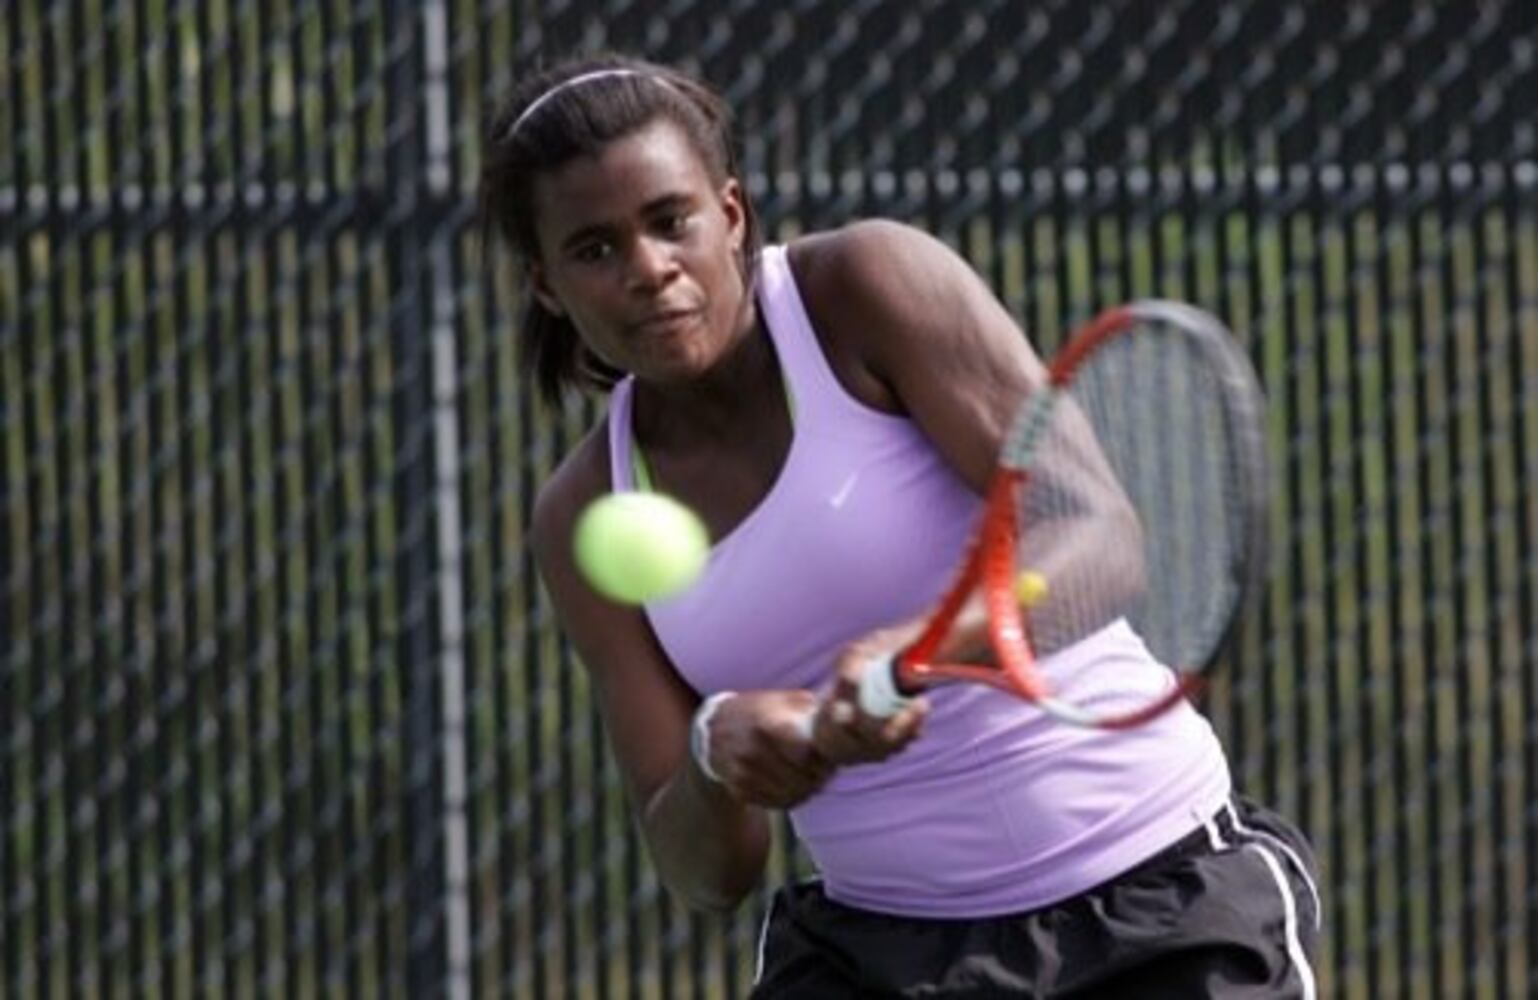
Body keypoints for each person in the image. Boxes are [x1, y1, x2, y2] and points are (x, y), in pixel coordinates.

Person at [481, 52, 1322, 998]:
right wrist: (721, 757)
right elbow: (700, 870)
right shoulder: (581, 516)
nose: (647, 268)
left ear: (730, 214)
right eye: (593, 250)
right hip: (880, 958)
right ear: (548, 285)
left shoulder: (864, 289)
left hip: (1154, 894)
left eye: (670, 221)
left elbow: (1098, 537)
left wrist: (917, 650)